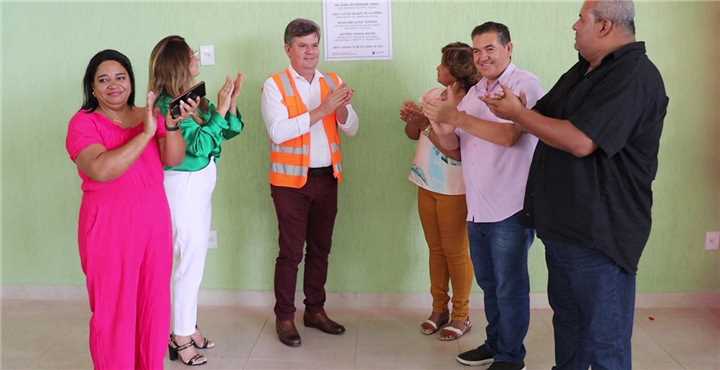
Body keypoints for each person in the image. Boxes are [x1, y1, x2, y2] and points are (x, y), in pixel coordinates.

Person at [482, 1, 668, 369]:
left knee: (603, 341)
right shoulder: (585, 70)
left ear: (604, 27)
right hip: (565, 228)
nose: (574, 26)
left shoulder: (633, 75)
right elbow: (543, 115)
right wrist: (516, 107)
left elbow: (582, 141)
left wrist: (519, 115)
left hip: (601, 234)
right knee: (569, 324)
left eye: (581, 19)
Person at [424, 22, 545, 370]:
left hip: (511, 206)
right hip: (477, 208)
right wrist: (436, 123)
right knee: (489, 283)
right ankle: (495, 343)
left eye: (490, 48)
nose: (482, 57)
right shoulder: (476, 92)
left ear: (509, 48)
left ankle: (511, 356)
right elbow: (457, 149)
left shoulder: (525, 84)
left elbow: (510, 136)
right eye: (477, 51)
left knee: (509, 285)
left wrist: (457, 116)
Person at [65, 49, 187, 370]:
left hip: (154, 227)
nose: (113, 85)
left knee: (153, 306)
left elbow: (173, 158)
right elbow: (102, 168)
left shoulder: (148, 114)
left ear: (131, 82)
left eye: (120, 77)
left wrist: (170, 125)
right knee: (114, 312)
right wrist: (146, 133)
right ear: (92, 88)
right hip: (108, 230)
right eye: (103, 80)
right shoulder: (83, 123)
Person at [260, 18, 359, 347]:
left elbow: (352, 126)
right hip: (289, 184)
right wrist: (323, 108)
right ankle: (285, 317)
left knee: (321, 249)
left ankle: (314, 310)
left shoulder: (332, 80)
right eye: (302, 45)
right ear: (288, 49)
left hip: (327, 177)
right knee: (290, 253)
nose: (310, 51)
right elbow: (278, 132)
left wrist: (341, 110)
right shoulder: (274, 85)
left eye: (314, 45)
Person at [149, 35, 246, 366]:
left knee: (193, 263)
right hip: (183, 189)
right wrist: (218, 108)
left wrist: (229, 104)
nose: (195, 55)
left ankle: (186, 326)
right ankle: (179, 336)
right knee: (189, 263)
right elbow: (200, 147)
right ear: (178, 62)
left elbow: (227, 133)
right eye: (189, 53)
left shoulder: (191, 99)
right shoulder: (167, 106)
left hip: (199, 189)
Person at [399, 42, 477, 341]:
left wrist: (428, 127)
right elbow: (413, 134)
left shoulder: (470, 103)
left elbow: (458, 152)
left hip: (454, 189)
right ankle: (438, 309)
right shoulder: (433, 97)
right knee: (436, 250)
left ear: (454, 71)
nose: (437, 68)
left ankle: (461, 314)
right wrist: (415, 120)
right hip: (425, 183)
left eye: (441, 64)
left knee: (456, 253)